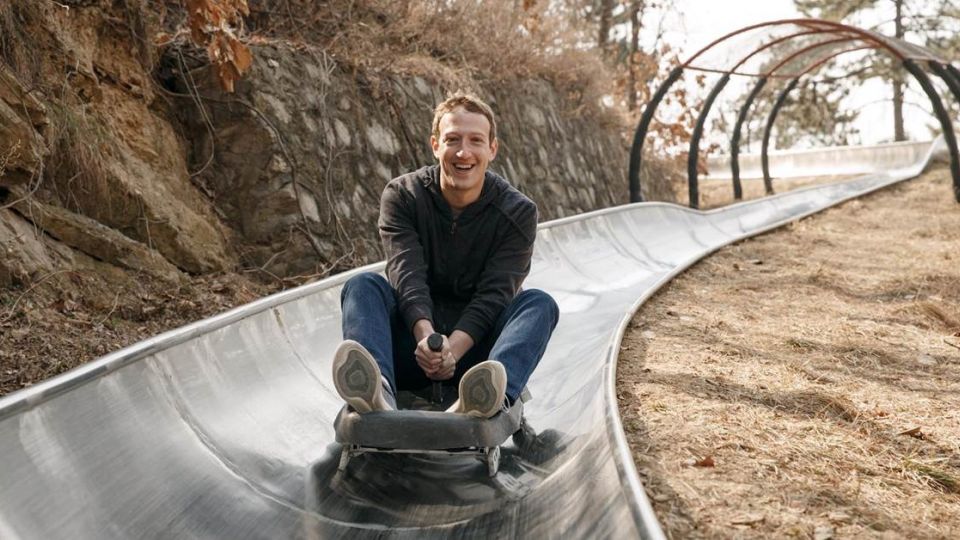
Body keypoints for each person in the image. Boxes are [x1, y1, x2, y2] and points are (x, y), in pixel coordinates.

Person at [332, 93, 559, 419]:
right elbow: (406, 272)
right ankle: (376, 390)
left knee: (539, 304)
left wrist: (453, 349)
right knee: (362, 286)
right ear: (436, 145)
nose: (463, 152)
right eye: (453, 140)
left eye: (475, 141)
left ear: (492, 149)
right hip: (413, 345)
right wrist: (428, 341)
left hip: (476, 359)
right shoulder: (403, 196)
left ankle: (490, 399)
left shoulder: (517, 212)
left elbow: (495, 294)